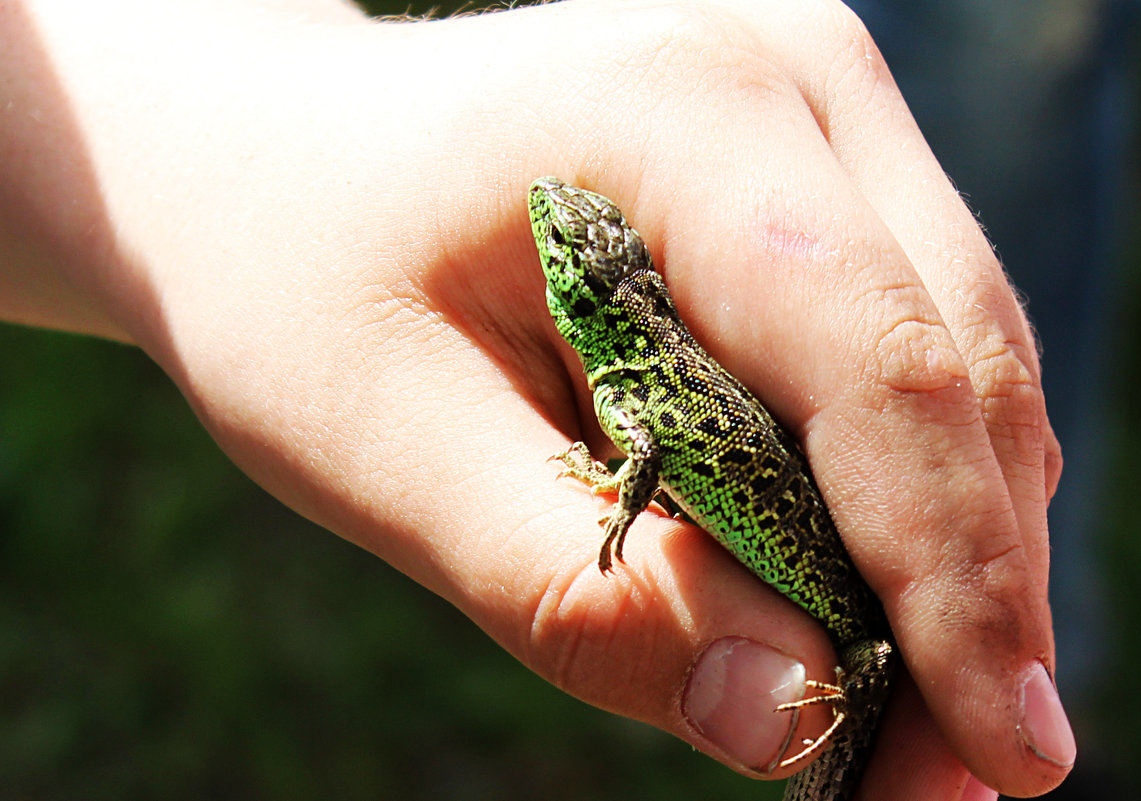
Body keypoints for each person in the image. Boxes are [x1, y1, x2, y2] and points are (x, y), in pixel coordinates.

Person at [0, 1, 1074, 799]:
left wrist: (613, 490)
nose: (549, 220)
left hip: (841, 604)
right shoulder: (628, 355)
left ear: (584, 287)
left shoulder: (629, 373)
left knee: (878, 662)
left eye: (564, 241)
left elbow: (650, 448)